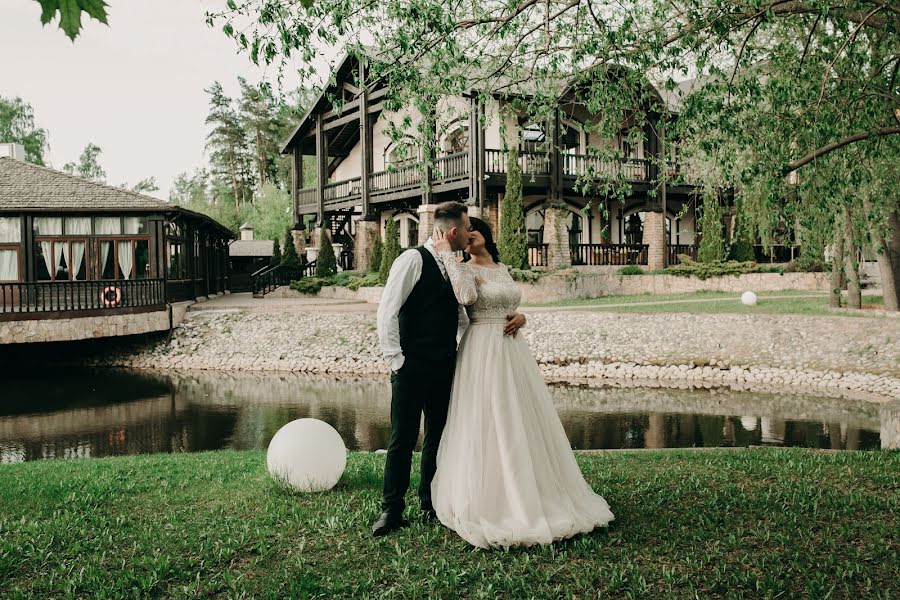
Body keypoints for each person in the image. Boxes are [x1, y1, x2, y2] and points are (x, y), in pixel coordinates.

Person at [430, 216, 615, 548]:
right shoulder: (466, 269)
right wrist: (448, 255)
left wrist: (523, 316)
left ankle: (536, 490)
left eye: (473, 229)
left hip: (512, 350)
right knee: (489, 417)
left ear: (485, 234)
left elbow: (511, 302)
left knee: (521, 417)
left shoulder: (501, 268)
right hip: (482, 349)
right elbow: (468, 298)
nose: (469, 235)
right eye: (465, 231)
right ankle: (493, 498)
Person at [372, 202, 527, 537]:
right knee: (403, 438)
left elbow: (460, 315)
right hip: (411, 366)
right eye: (468, 226)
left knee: (438, 437)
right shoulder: (412, 259)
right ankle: (392, 509)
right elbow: (387, 311)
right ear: (454, 231)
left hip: (445, 365)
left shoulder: (454, 262)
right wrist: (396, 361)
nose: (472, 232)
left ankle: (430, 502)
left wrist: (464, 349)